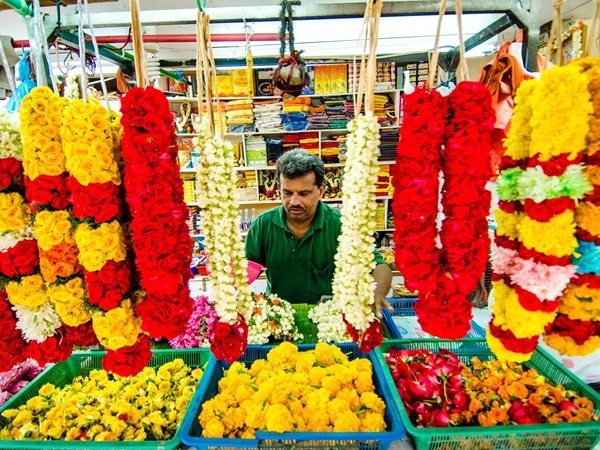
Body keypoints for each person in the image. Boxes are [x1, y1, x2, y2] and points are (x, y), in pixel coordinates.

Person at [245, 149, 393, 318]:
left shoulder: (343, 225)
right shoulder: (263, 225)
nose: (294, 201)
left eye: (304, 193)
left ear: (321, 191)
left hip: (329, 320)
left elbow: (379, 266)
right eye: (287, 193)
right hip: (277, 318)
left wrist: (378, 293)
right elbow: (245, 269)